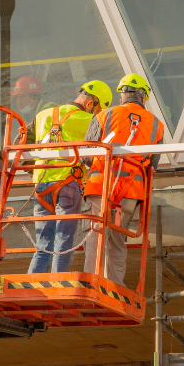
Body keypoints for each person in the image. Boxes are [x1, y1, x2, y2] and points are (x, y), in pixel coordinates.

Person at [82, 73, 165, 284]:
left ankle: (93, 285)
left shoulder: (105, 115)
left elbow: (86, 154)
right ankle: (115, 288)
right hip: (129, 195)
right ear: (143, 97)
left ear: (122, 96)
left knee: (95, 237)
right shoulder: (156, 124)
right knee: (117, 241)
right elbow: (152, 167)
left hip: (100, 188)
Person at [27, 80, 114, 274]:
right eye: (97, 108)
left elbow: (23, 140)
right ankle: (58, 282)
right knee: (64, 241)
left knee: (43, 243)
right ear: (91, 102)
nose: (96, 113)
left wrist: (31, 168)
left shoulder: (43, 115)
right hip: (68, 185)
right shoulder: (89, 120)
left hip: (41, 187)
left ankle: (32, 286)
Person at [10, 75, 56, 142]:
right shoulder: (26, 117)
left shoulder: (48, 112)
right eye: (18, 97)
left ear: (34, 97)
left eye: (22, 96)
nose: (18, 102)